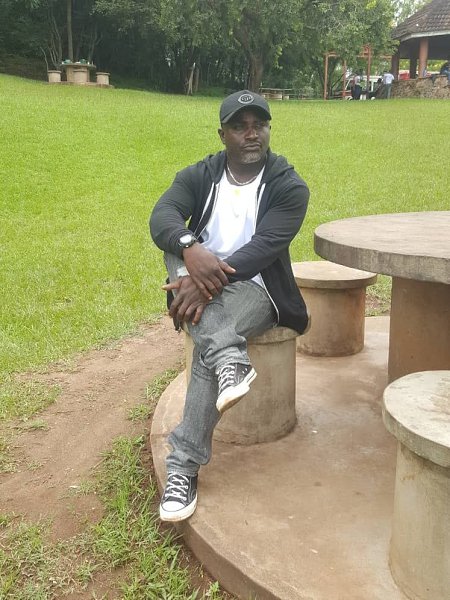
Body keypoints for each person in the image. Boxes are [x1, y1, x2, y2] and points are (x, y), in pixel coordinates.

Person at [149, 90, 310, 522]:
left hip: (256, 288)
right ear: (223, 135)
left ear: (268, 129)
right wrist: (190, 248)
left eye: (259, 125)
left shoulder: (289, 186)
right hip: (198, 280)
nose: (251, 134)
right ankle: (230, 360)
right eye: (240, 126)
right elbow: (162, 215)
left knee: (205, 337)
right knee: (173, 246)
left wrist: (201, 285)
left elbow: (263, 249)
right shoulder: (200, 175)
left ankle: (183, 466)